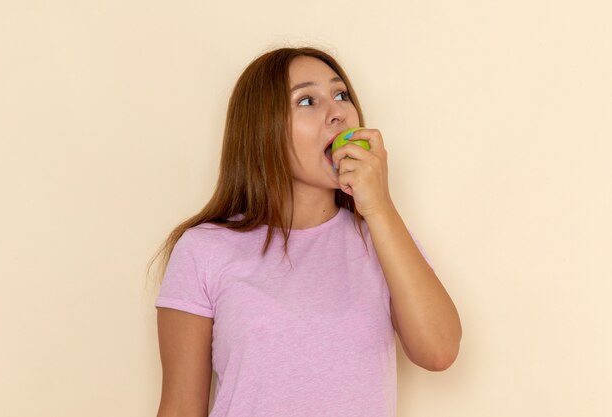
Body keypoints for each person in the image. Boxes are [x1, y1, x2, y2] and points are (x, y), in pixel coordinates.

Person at [149, 46, 462, 417]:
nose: (338, 113)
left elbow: (439, 352)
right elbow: (181, 407)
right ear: (262, 128)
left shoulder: (381, 238)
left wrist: (379, 205)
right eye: (307, 101)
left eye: (341, 95)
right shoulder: (204, 250)